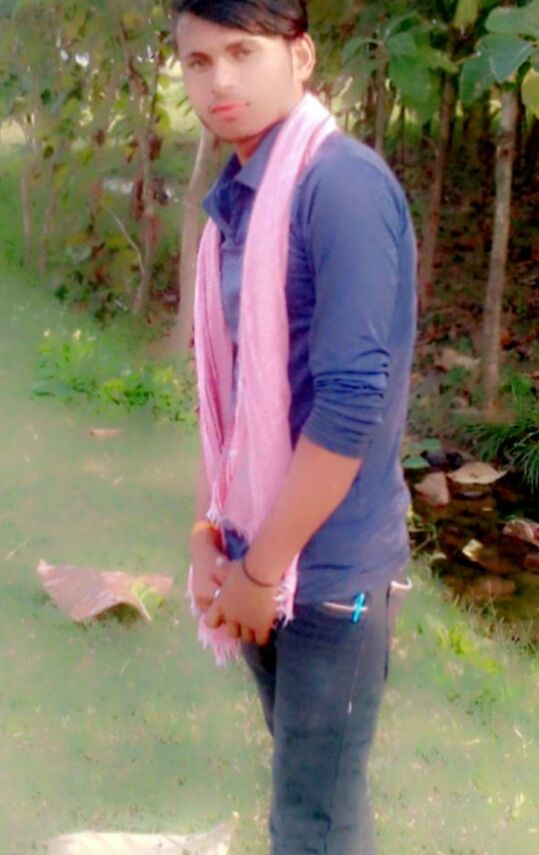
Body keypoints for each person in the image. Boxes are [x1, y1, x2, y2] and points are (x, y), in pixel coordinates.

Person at [173, 2, 417, 852]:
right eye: (200, 61)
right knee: (312, 788)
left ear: (301, 57)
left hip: (327, 570)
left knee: (314, 814)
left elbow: (349, 403)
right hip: (259, 551)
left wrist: (261, 568)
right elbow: (232, 396)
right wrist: (209, 535)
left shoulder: (339, 186)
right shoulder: (239, 199)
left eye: (244, 52)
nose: (221, 80)